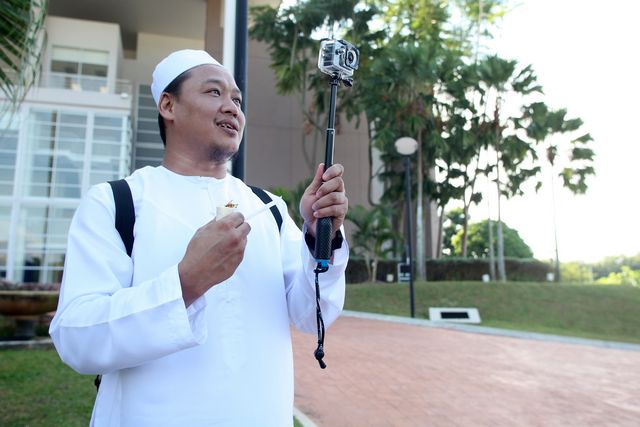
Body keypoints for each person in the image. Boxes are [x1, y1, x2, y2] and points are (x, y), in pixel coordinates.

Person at [49, 49, 349, 427]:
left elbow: (312, 314)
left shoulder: (268, 208)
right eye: (213, 92)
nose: (232, 108)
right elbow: (77, 339)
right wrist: (185, 283)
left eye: (237, 100)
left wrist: (320, 235)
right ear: (168, 105)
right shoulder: (116, 203)